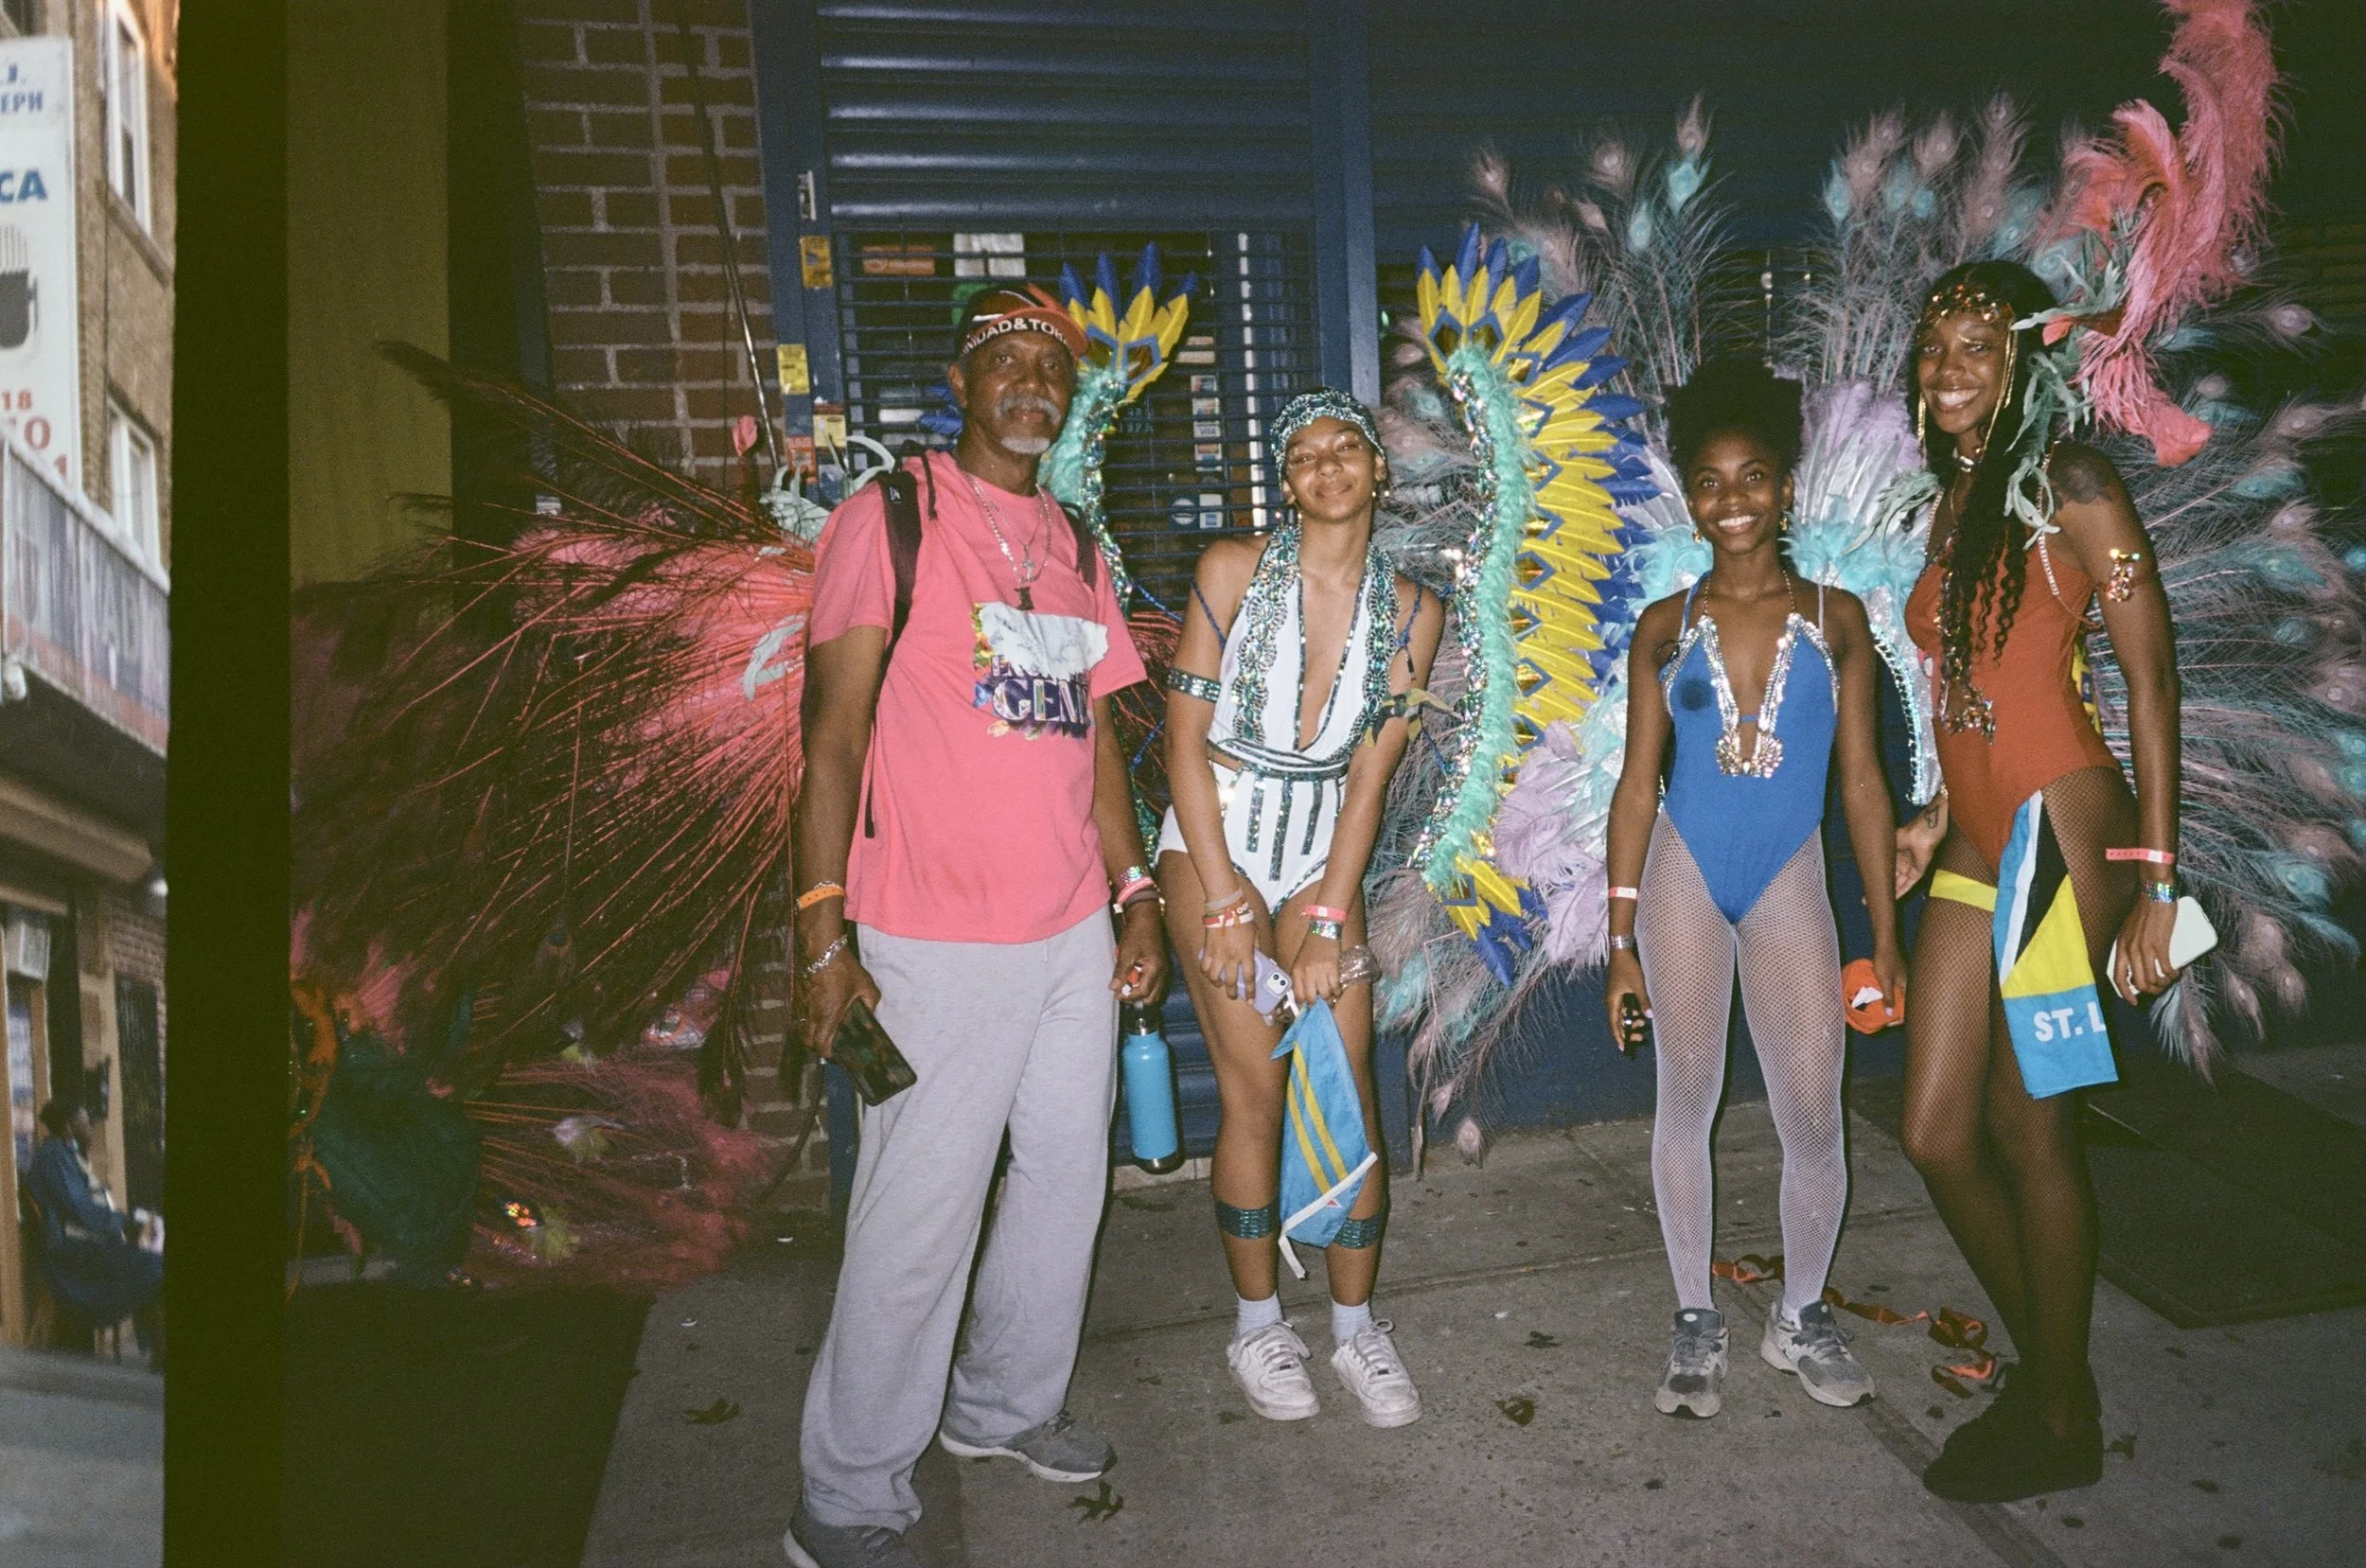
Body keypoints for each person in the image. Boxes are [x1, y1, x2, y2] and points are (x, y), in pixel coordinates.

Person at [786, 285, 1169, 1568]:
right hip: (931, 938)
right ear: (961, 377)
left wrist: (1135, 894)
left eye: (1050, 361)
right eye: (1005, 355)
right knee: (920, 1213)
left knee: (1067, 1180)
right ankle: (843, 1495)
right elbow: (830, 739)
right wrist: (823, 933)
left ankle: (1001, 1409)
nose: (1030, 378)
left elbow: (1100, 742)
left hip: (1068, 933)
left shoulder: (1072, 540)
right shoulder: (886, 519)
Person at [1891, 260, 2184, 1503]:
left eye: (1977, 345)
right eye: (1934, 345)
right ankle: (2056, 1373)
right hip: (1970, 840)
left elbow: (2152, 683)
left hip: (2066, 841)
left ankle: (2058, 1407)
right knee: (1933, 1129)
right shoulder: (1955, 497)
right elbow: (1965, 687)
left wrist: (2160, 883)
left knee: (2029, 1121)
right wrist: (1926, 812)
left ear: (2027, 359)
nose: (1949, 367)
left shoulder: (2075, 486)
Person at [1601, 358, 1903, 1420]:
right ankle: (1694, 1318)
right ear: (1691, 495)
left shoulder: (1839, 618)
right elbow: (1637, 785)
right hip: (1684, 877)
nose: (1733, 500)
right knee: (1680, 1103)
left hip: (1790, 883)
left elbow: (1862, 781)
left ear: (1787, 488)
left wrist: (1883, 930)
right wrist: (1622, 936)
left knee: (1812, 1114)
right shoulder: (1659, 625)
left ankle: (1801, 1312)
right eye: (1712, 481)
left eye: (1754, 477)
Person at [1157, 388, 1444, 1428]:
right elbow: (1182, 743)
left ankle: (1357, 1331)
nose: (1325, 464)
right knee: (1255, 1092)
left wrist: (1329, 918)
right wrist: (1225, 897)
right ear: (1284, 482)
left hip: (1325, 842)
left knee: (1346, 1086)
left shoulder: (1415, 609)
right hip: (1214, 834)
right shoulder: (1229, 572)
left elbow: (1367, 778)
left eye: (1345, 447)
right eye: (1303, 454)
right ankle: (1256, 1323)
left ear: (1376, 468)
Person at [26, 1100, 163, 1363]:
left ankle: (159, 1348)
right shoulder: (54, 1157)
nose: (91, 1128)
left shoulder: (66, 1154)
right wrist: (125, 1222)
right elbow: (80, 1209)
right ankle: (160, 1349)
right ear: (69, 1128)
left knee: (151, 1264)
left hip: (82, 1245)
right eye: (86, 1123)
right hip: (68, 1253)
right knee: (153, 1266)